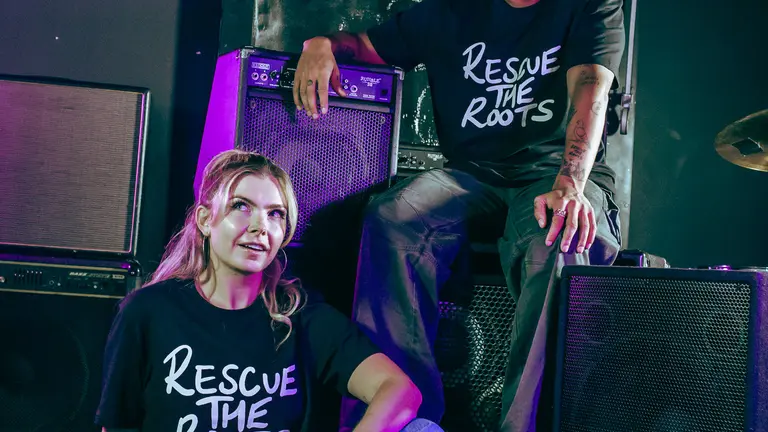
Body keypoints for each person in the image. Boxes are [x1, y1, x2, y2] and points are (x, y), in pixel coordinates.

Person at [292, 0, 625, 430]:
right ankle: (405, 419)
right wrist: (321, 44)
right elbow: (364, 44)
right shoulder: (448, 11)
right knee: (391, 219)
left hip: (556, 173)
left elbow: (590, 88)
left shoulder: (590, 5)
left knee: (556, 237)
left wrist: (570, 181)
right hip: (474, 177)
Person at [94, 150, 445, 432]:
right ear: (205, 219)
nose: (260, 227)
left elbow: (400, 392)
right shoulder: (149, 311)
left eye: (275, 214)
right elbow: (116, 423)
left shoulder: (301, 317)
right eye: (240, 206)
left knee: (422, 430)